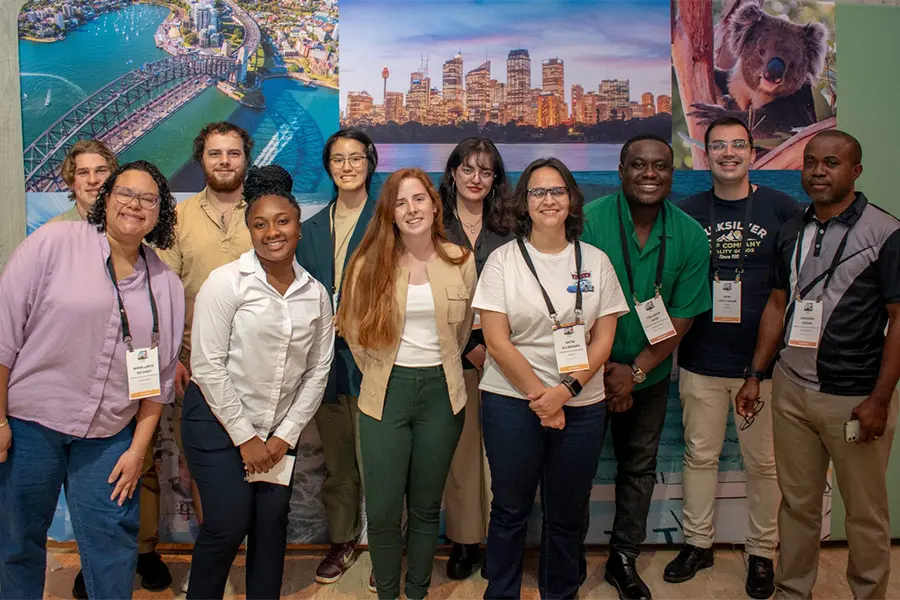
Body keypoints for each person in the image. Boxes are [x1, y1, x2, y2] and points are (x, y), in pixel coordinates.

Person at [0, 161, 185, 600]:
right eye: (124, 192)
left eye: (148, 198)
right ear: (106, 197)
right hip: (30, 426)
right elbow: (4, 337)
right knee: (17, 540)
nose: (134, 204)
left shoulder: (166, 284)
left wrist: (138, 450)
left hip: (108, 436)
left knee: (111, 546)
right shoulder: (53, 244)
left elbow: (157, 382)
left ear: (161, 212)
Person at [735, 130, 900, 600]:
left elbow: (899, 320)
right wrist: (756, 374)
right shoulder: (793, 228)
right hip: (790, 390)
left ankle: (867, 594)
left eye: (831, 163)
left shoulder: (886, 233)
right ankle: (792, 591)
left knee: (865, 513)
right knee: (799, 504)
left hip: (855, 397)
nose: (819, 172)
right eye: (811, 162)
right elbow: (777, 303)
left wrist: (880, 400)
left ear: (856, 171)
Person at [474, 158, 629, 599]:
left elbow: (603, 340)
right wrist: (542, 398)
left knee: (566, 513)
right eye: (537, 192)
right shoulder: (503, 261)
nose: (548, 200)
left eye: (557, 191)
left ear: (572, 199)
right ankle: (500, 592)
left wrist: (566, 393)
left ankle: (560, 592)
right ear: (524, 202)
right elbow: (497, 341)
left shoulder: (596, 262)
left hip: (581, 405)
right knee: (509, 509)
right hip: (511, 402)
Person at [183, 165, 334, 599]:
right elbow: (208, 366)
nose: (272, 232)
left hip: (276, 431)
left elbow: (317, 371)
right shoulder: (226, 283)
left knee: (271, 527)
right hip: (216, 421)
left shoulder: (314, 294)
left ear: (298, 227)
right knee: (228, 524)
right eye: (260, 224)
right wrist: (247, 438)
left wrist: (283, 437)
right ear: (249, 230)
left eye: (282, 221)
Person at [666, 117, 801, 598]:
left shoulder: (782, 207)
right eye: (718, 146)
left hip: (761, 367)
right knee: (699, 456)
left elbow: (795, 287)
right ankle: (698, 544)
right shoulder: (686, 211)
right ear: (705, 154)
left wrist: (764, 366)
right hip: (700, 361)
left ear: (751, 151)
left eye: (737, 145)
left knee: (762, 464)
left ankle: (762, 553)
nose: (728, 153)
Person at [581, 134, 711, 600]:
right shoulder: (589, 223)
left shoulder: (691, 236)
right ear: (621, 171)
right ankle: (569, 551)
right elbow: (571, 303)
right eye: (638, 165)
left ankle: (622, 558)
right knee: (576, 464)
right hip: (586, 375)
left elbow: (683, 315)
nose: (650, 173)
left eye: (660, 165)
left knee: (637, 468)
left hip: (648, 377)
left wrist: (632, 372)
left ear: (672, 174)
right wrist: (601, 371)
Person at [336, 168, 476, 600]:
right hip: (384, 395)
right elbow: (353, 331)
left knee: (424, 508)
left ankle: (416, 592)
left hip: (442, 393)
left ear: (435, 205)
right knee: (380, 512)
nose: (411, 209)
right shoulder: (366, 263)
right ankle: (387, 593)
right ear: (390, 213)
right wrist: (381, 368)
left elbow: (465, 329)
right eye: (400, 202)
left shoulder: (461, 259)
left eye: (419, 199)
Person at [151, 121, 255, 592]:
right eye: (215, 153)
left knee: (258, 469)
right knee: (204, 471)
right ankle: (213, 558)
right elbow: (163, 293)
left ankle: (256, 558)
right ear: (202, 159)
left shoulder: (266, 213)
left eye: (233, 153)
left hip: (260, 371)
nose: (225, 162)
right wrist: (171, 356)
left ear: (245, 159)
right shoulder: (178, 217)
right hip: (196, 369)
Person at [294, 128, 378, 585]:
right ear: (329, 167)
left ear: (370, 163)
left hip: (377, 365)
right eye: (338, 159)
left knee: (382, 464)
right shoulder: (308, 231)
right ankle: (344, 539)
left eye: (356, 158)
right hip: (327, 367)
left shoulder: (389, 222)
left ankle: (386, 546)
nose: (347, 166)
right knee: (339, 463)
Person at [437, 137, 513, 580]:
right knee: (463, 458)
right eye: (467, 169)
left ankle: (503, 543)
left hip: (508, 357)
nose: (476, 179)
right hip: (456, 356)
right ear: (452, 173)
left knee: (506, 457)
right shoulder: (433, 224)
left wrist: (499, 349)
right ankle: (465, 542)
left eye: (485, 172)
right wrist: (473, 348)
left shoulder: (510, 225)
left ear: (496, 179)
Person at [48, 139, 118, 224]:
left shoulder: (132, 229)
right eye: (83, 173)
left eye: (100, 171)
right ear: (70, 182)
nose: (93, 180)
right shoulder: (52, 232)